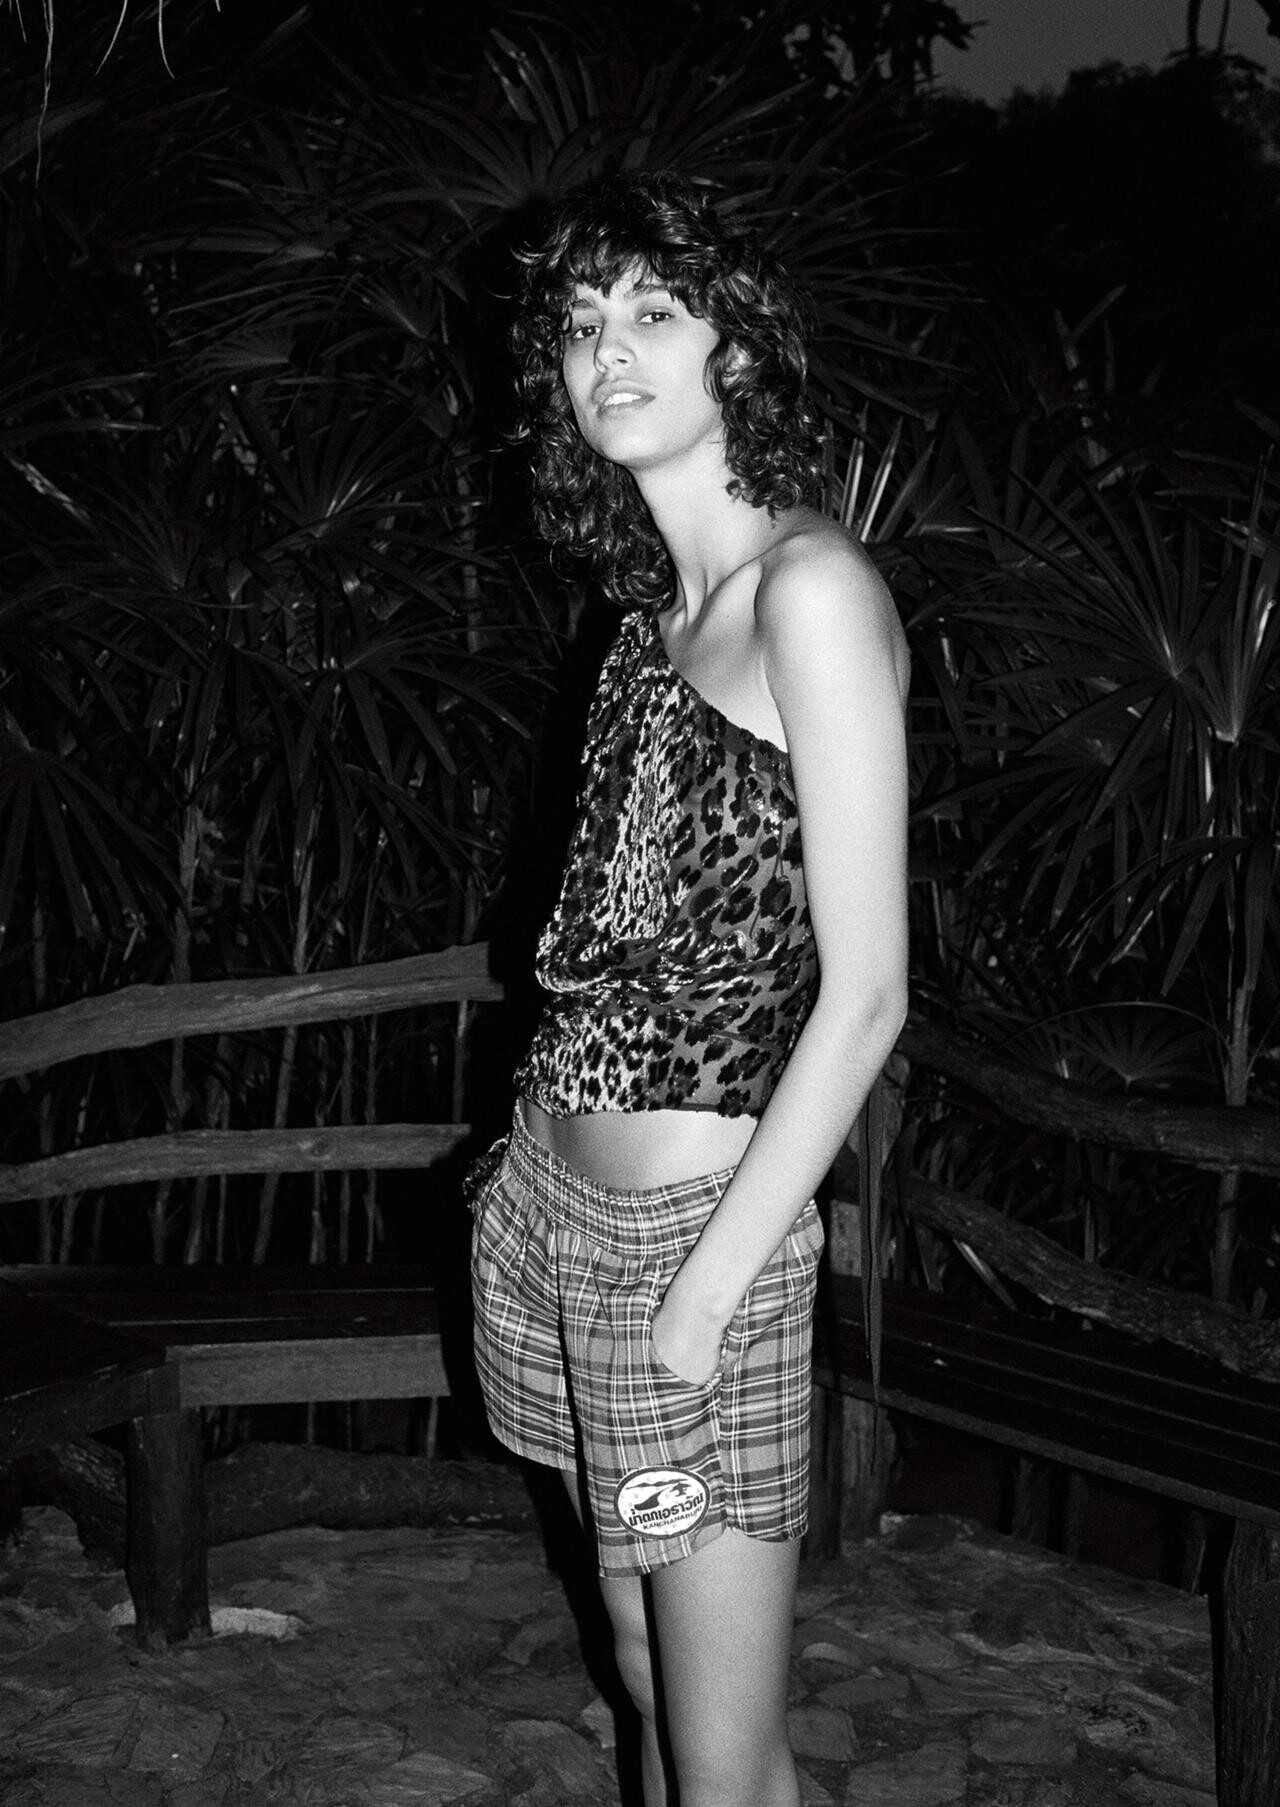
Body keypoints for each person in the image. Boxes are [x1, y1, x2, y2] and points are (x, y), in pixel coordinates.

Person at [470, 169, 909, 1807]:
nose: (610, 351)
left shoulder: (812, 593)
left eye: (655, 311)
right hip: (553, 1208)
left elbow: (868, 997)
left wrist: (706, 1300)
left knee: (725, 1761)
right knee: (646, 1674)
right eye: (581, 322)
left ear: (740, 350)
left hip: (695, 1243)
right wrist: (524, 1181)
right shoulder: (651, 621)